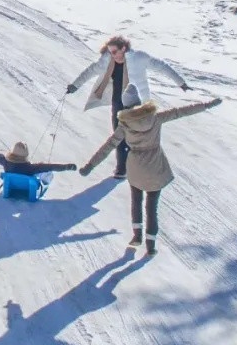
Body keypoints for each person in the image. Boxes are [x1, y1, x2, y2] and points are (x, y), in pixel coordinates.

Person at [79, 84, 221, 256]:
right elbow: (181, 112)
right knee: (152, 207)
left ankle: (137, 236)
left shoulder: (124, 125)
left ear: (125, 105)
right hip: (155, 165)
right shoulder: (155, 117)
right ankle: (151, 246)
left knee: (136, 201)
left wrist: (90, 166)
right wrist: (206, 105)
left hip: (136, 166)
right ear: (139, 102)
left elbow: (109, 146)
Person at [66, 35, 192, 179]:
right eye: (109, 52)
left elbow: (162, 67)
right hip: (118, 103)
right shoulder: (107, 60)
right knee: (119, 135)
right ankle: (122, 169)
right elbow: (90, 71)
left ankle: (143, 166)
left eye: (114, 52)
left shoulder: (139, 58)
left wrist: (180, 82)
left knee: (141, 135)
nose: (111, 55)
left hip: (137, 104)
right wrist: (75, 85)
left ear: (123, 49)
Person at [0, 142, 78, 176]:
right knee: (45, 171)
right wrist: (66, 167)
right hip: (26, 187)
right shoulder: (29, 168)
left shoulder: (6, 162)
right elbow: (50, 166)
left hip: (11, 183)